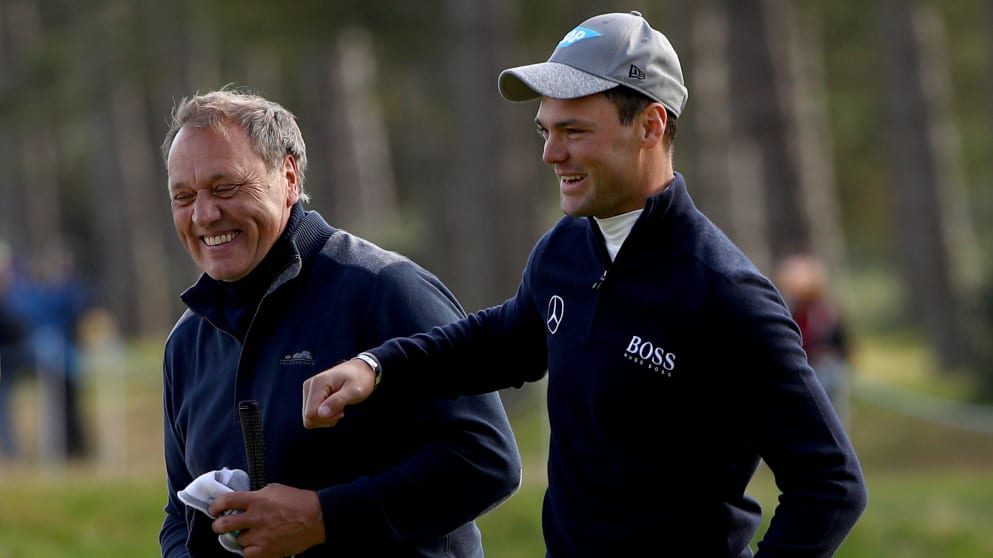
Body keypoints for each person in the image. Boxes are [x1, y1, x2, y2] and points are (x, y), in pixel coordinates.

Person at [303, 11, 867, 557]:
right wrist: (377, 367)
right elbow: (505, 340)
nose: (552, 154)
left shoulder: (724, 293)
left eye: (573, 131)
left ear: (651, 125)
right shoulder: (566, 248)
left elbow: (830, 483)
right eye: (546, 131)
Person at [159, 88, 521, 558]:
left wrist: (323, 519)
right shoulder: (187, 343)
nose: (204, 215)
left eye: (225, 187)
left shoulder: (384, 290)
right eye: (183, 197)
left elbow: (486, 460)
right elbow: (177, 515)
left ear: (288, 177)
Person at [775, 253, 853, 428]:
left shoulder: (826, 310)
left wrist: (830, 355)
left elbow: (843, 343)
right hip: (802, 375)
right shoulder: (787, 311)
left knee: (835, 423)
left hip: (829, 372)